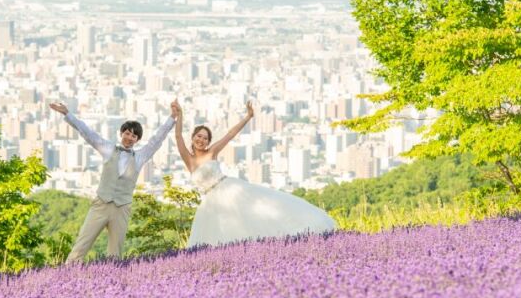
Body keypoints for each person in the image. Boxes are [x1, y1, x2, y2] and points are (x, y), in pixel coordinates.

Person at [171, 100, 336, 247]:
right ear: (193, 137)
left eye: (205, 138)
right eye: (199, 136)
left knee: (258, 213)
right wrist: (180, 115)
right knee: (221, 234)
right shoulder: (189, 160)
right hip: (211, 203)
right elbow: (178, 136)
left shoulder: (211, 152)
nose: (201, 140)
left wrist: (248, 117)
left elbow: (230, 134)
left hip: (229, 189)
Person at [50, 101, 177, 262]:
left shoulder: (140, 157)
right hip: (101, 205)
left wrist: (172, 117)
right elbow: (87, 133)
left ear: (137, 139)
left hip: (122, 208)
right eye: (127, 133)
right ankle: (65, 277)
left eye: (134, 136)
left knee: (115, 253)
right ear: (121, 133)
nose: (130, 138)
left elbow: (156, 140)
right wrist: (67, 114)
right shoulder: (108, 149)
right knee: (81, 245)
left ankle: (112, 282)